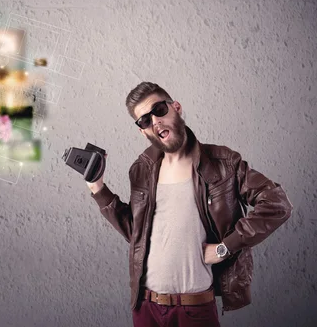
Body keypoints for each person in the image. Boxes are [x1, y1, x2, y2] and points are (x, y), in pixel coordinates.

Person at [88, 82, 293, 327]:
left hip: (194, 309)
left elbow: (277, 203)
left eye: (159, 110)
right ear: (142, 131)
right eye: (144, 120)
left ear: (176, 108)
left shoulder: (222, 163)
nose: (155, 121)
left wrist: (225, 247)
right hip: (146, 308)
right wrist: (97, 187)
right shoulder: (141, 170)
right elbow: (136, 233)